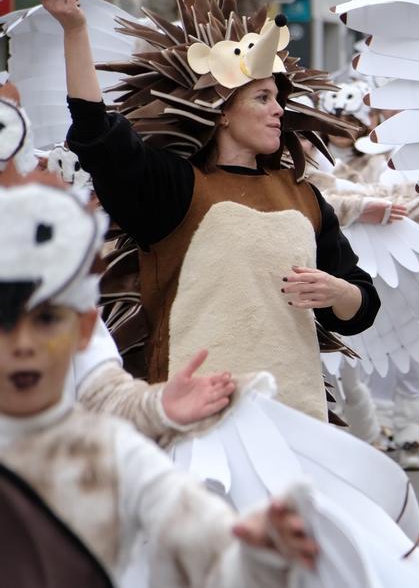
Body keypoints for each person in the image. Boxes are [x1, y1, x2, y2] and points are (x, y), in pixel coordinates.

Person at [41, 0, 379, 420]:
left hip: (296, 417)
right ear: (222, 113)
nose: (279, 109)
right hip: (198, 419)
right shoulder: (175, 187)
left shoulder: (304, 197)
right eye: (262, 97)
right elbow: (97, 136)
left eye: (278, 97)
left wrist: (337, 291)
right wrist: (75, 31)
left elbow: (361, 305)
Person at [0, 178, 319, 587]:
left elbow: (211, 554)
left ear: (83, 329)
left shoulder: (114, 456)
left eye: (45, 320)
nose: (24, 344)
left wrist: (263, 554)